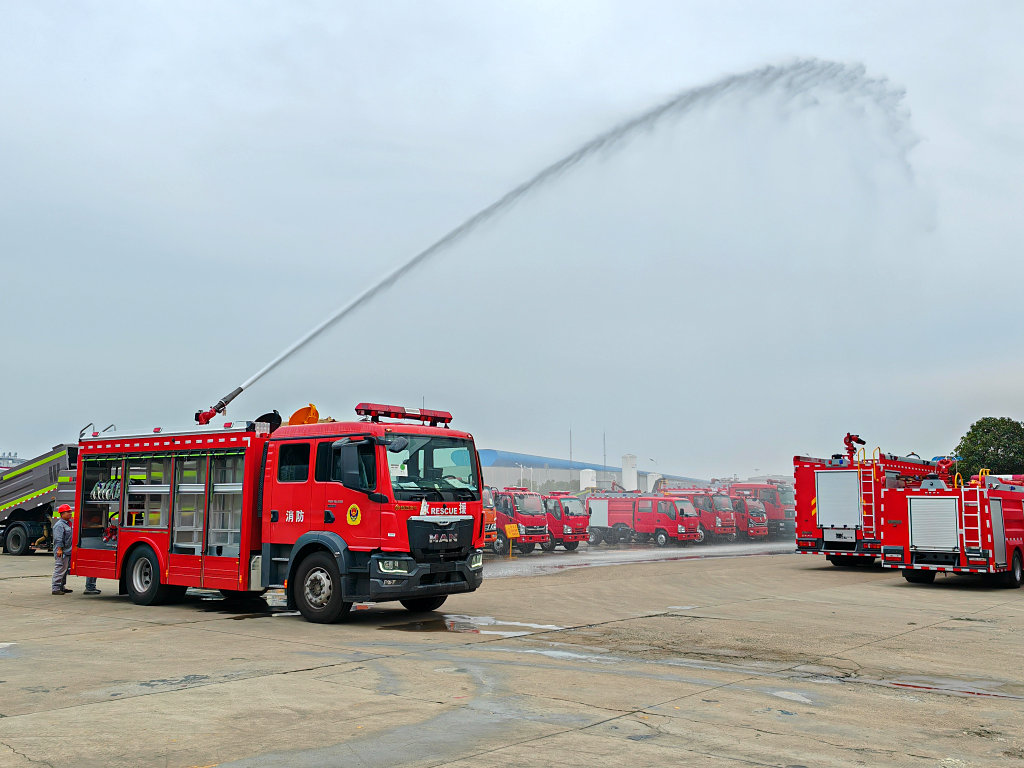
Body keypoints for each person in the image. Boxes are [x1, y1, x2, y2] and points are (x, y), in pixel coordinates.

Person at [51, 504, 100, 596]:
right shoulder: (59, 525)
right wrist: (59, 549)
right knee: (60, 569)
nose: (70, 513)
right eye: (68, 512)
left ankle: (62, 587)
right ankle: (56, 588)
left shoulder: (69, 523)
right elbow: (58, 539)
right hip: (62, 551)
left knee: (65, 570)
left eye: (70, 511)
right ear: (62, 514)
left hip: (68, 550)